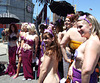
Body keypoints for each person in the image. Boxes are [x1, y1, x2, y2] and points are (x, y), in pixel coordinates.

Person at [68, 14, 100, 83]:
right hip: (77, 77)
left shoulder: (92, 42)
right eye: (77, 27)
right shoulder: (87, 39)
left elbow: (86, 70)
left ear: (90, 26)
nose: (78, 30)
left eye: (80, 27)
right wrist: (71, 68)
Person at [59, 13, 86, 83]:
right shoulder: (71, 31)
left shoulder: (88, 32)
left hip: (84, 61)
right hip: (72, 59)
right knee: (70, 78)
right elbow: (62, 44)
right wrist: (65, 57)